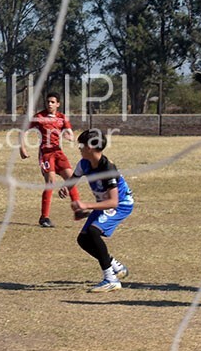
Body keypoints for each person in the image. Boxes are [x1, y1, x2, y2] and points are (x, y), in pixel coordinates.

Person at [65, 128, 133, 293]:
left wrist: (86, 206)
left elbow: (114, 202)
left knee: (94, 232)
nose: (79, 148)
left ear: (90, 147)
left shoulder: (107, 169)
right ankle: (115, 266)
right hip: (104, 203)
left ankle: (111, 279)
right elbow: (73, 179)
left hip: (121, 204)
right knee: (83, 240)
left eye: (81, 145)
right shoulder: (84, 164)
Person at [19, 92, 81, 228]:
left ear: (58, 104)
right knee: (51, 182)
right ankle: (44, 217)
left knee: (72, 178)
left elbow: (71, 134)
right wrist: (22, 148)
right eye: (48, 102)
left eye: (53, 102)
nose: (50, 104)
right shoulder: (39, 117)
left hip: (58, 152)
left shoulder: (62, 118)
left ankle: (78, 210)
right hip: (46, 153)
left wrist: (69, 137)